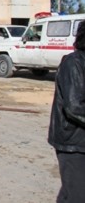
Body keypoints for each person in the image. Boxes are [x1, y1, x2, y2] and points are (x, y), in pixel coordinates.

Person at [48, 20, 85, 202]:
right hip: (72, 143)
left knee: (71, 192)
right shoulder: (73, 63)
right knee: (78, 195)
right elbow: (74, 106)